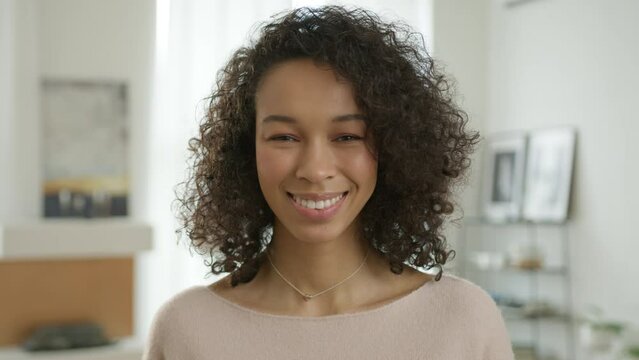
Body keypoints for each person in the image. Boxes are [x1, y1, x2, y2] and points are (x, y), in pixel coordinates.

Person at [143, 6, 513, 360]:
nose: (315, 170)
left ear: (395, 147)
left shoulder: (463, 320)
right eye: (284, 137)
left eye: (347, 136)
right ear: (244, 149)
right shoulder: (186, 329)